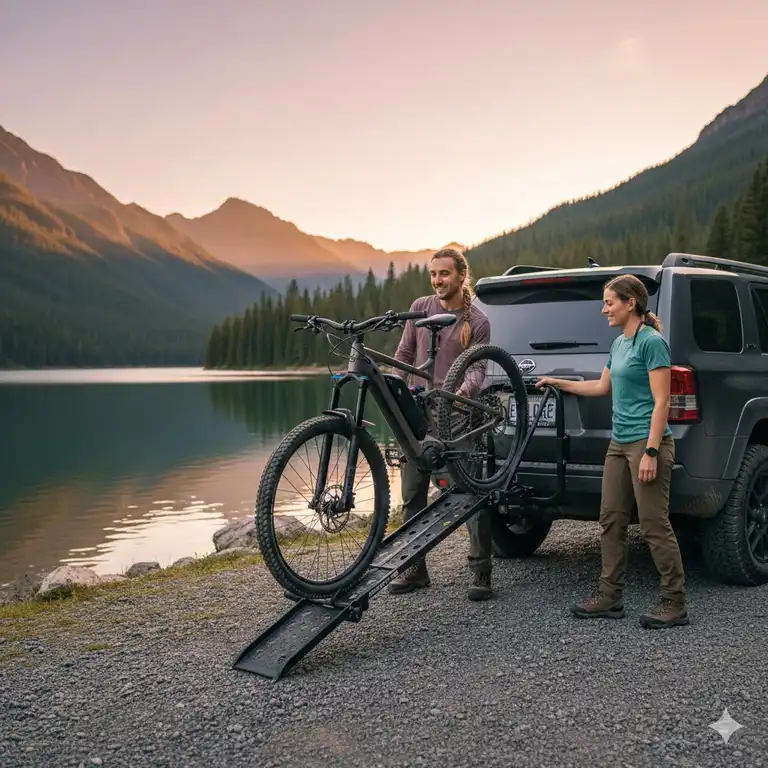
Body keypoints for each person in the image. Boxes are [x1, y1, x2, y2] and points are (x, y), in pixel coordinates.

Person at [536, 274, 688, 629]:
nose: (604, 309)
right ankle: (609, 596)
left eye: (609, 302)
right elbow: (602, 386)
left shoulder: (652, 343)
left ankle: (674, 601)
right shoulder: (619, 343)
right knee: (611, 518)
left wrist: (651, 451)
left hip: (646, 444)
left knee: (653, 524)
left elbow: (663, 401)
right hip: (618, 445)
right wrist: (559, 382)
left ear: (630, 303)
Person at [387, 247, 495, 601]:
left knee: (469, 493)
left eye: (444, 274)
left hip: (460, 416)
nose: (437, 281)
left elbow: (479, 368)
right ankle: (415, 570)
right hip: (419, 414)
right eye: (433, 274)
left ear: (462, 276)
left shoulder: (476, 321)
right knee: (412, 494)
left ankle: (481, 573)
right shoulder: (420, 308)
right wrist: (396, 386)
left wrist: (458, 393)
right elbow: (404, 354)